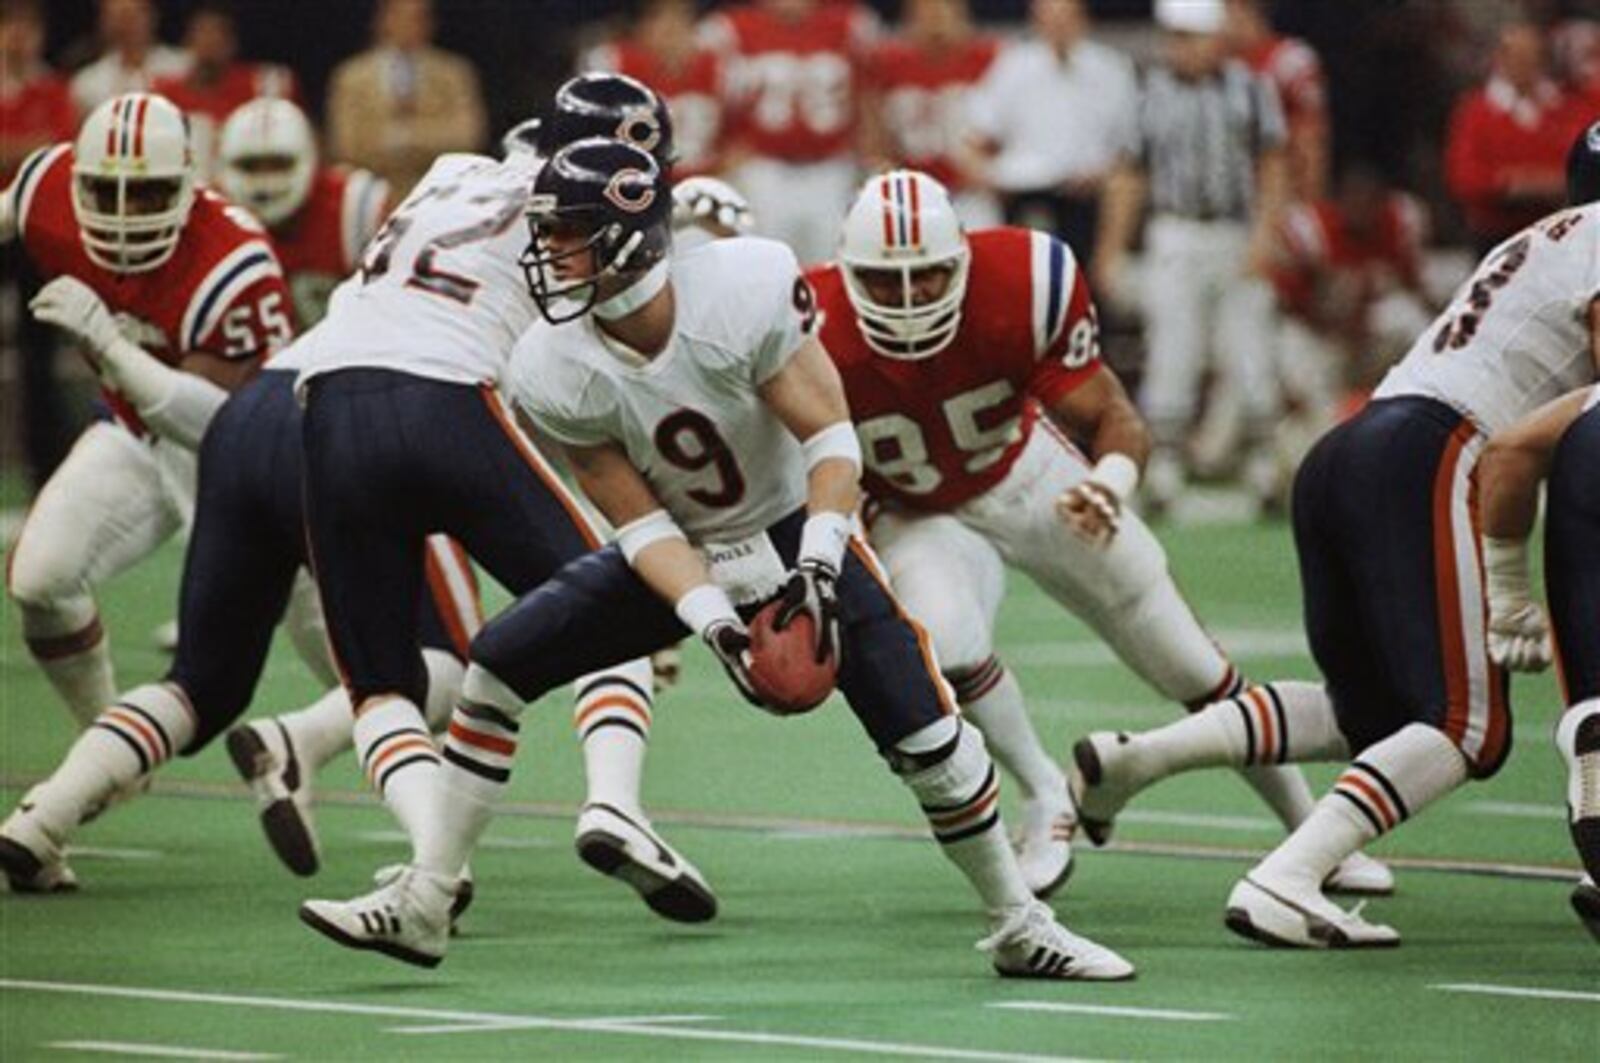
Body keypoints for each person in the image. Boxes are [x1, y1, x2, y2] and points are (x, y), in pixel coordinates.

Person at [298, 138, 1134, 981]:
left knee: (930, 739)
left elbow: (832, 440)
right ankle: (427, 899)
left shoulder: (741, 288)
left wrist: (815, 565)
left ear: (628, 235)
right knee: (498, 664)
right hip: (686, 548)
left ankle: (1022, 923)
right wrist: (712, 620)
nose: (543, 251)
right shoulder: (550, 364)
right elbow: (640, 524)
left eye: (565, 231)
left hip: (791, 529)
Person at [1071, 126, 1600, 950]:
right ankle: (1287, 875)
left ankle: (1140, 757)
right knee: (1468, 727)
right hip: (1431, 452)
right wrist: (1509, 590)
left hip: (1353, 445)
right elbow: (1523, 442)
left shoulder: (1540, 239)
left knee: (1376, 711)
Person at [809, 169, 1388, 899]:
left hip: (1027, 476)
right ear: (845, 272)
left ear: (960, 260)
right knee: (945, 643)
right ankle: (1044, 792)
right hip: (914, 510)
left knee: (1191, 667)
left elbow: (1115, 415)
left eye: (926, 276)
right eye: (884, 282)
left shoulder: (1023, 279)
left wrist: (1109, 483)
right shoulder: (809, 322)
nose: (908, 297)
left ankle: (1313, 835)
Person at [290, 78, 715, 930]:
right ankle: (614, 802)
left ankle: (429, 876)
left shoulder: (448, 171)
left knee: (379, 683)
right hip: (447, 397)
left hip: (328, 397)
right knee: (612, 602)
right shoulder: (584, 204)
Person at [0, 307, 480, 892]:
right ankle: (304, 748)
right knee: (444, 662)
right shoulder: (498, 268)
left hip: (246, 429)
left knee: (201, 683)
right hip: (352, 430)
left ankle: (43, 818)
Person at [1, 93, 292, 730]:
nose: (127, 215)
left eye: (150, 194)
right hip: (134, 432)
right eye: (106, 194)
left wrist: (108, 344)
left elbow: (221, 427)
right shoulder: (45, 190)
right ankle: (106, 744)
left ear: (188, 188)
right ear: (77, 184)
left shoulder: (233, 263)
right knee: (38, 579)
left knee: (351, 653)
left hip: (252, 465)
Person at [1472, 122, 1600, 942]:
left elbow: (1514, 445)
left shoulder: (1547, 241)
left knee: (1593, 702)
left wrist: (1507, 589)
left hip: (1570, 450)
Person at [1095, 0, 1288, 514]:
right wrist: (1111, 245)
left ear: (1216, 38)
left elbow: (1271, 165)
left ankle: (1265, 465)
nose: (1180, 47)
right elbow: (1130, 174)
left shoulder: (1251, 88)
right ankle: (1164, 469)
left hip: (1233, 231)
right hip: (1175, 232)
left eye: (1191, 36)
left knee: (1249, 351)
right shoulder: (1149, 92)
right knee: (1170, 352)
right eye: (1175, 36)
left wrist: (1266, 235)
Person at [699, 0, 880, 263]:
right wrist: (725, 147)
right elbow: (710, 95)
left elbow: (869, 92)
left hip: (832, 167)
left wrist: (868, 149)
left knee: (832, 263)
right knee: (762, 263)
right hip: (763, 167)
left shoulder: (851, 23)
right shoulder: (729, 29)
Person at [964, 0, 1136, 259]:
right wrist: (989, 178)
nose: (1058, 24)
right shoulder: (1013, 66)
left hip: (1089, 194)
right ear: (1036, 20)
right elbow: (975, 137)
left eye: (1066, 15)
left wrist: (1103, 173)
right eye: (1050, 16)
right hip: (1025, 193)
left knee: (1124, 188)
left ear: (1083, 19)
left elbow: (1128, 148)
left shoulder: (1111, 68)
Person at [217, 96, 391, 325]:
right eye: (251, 166)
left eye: (279, 164)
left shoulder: (356, 209)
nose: (266, 181)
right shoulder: (212, 217)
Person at [0, 0, 80, 489]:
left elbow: (59, 154)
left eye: (28, 28)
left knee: (39, 355)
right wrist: (26, 145)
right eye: (11, 27)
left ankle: (46, 469)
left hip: (30, 230)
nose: (19, 37)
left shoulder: (53, 88)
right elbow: (36, 147)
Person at [1445, 20, 1593, 256]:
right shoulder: (1476, 111)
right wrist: (1512, 184)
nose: (1526, 64)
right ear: (1499, 58)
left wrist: (1555, 182)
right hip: (1498, 237)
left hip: (1563, 236)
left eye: (1533, 56)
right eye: (1518, 56)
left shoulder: (1570, 107)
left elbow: (1587, 159)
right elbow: (1464, 177)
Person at [326, 0, 487, 198]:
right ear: (383, 19)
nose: (411, 24)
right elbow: (346, 145)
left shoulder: (454, 74)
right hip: (372, 201)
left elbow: (467, 136)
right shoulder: (351, 77)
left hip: (440, 195)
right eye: (401, 15)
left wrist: (404, 137)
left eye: (420, 16)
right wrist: (423, 141)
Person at [863, 0, 999, 227]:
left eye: (944, 13)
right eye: (927, 14)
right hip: (911, 197)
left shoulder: (988, 59)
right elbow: (872, 125)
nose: (936, 23)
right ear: (910, 19)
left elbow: (1009, 123)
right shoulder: (888, 63)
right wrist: (884, 166)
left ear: (962, 16)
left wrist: (995, 168)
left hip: (969, 193)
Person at [151, 2, 300, 181]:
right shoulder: (164, 95)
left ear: (232, 43)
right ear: (187, 42)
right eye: (202, 33)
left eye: (217, 35)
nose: (209, 43)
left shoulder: (262, 86)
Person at [583, 0, 728, 179]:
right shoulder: (614, 64)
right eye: (659, 19)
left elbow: (740, 129)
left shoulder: (718, 67)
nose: (672, 30)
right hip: (632, 184)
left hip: (701, 182)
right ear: (639, 27)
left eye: (681, 19)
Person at [1223, 0, 1329, 202]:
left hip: (1281, 198)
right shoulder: (1219, 66)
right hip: (1232, 204)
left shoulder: (1290, 61)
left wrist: (1308, 203)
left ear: (1240, 8)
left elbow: (1310, 144)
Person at [69, 0, 190, 114]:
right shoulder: (87, 82)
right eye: (119, 16)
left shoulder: (183, 68)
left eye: (133, 15)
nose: (127, 24)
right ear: (104, 22)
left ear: (152, 17)